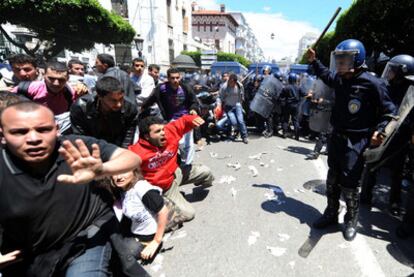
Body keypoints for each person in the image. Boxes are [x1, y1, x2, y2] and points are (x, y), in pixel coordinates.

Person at [0, 102, 148, 276]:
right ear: (2, 135)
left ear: (57, 129)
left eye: (43, 130)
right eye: (20, 132)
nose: (33, 139)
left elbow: (131, 158)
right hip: (33, 257)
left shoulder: (74, 146)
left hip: (87, 236)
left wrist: (101, 170)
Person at [307, 39, 396, 241]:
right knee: (332, 180)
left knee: (349, 184)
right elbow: (324, 74)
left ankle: (350, 220)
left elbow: (390, 112)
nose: (340, 64)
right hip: (336, 138)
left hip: (357, 141)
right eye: (338, 59)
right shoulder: (339, 79)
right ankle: (331, 213)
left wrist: (380, 130)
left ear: (357, 59)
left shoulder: (373, 83)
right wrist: (314, 61)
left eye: (345, 59)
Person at [128, 115, 214, 222]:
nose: (163, 133)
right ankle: (167, 203)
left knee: (206, 172)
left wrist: (193, 119)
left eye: (163, 129)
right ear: (147, 136)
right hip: (163, 188)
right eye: (158, 131)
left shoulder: (169, 133)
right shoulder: (136, 153)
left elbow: (183, 121)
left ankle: (178, 197)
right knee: (189, 214)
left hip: (175, 174)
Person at [140, 67, 200, 165]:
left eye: (177, 78)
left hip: (185, 118)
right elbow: (152, 98)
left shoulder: (185, 88)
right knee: (178, 142)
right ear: (168, 78)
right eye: (172, 78)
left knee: (188, 144)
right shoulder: (162, 88)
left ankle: (187, 164)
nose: (175, 80)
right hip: (171, 120)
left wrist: (193, 109)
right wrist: (143, 107)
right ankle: (179, 160)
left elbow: (193, 101)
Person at [111, 170, 170, 261]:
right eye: (115, 174)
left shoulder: (140, 188)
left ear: (134, 171)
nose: (119, 177)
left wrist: (156, 241)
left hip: (150, 236)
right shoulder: (123, 189)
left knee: (117, 256)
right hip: (136, 231)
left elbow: (163, 211)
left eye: (124, 172)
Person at [70, 76, 138, 148]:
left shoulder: (130, 108)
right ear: (100, 97)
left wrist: (121, 153)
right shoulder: (81, 107)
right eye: (113, 100)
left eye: (121, 99)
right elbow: (80, 136)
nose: (119, 104)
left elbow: (127, 137)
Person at [216, 73, 248, 144]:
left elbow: (242, 96)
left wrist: (241, 104)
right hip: (229, 107)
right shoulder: (224, 87)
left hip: (237, 105)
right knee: (234, 122)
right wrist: (218, 105)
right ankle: (236, 132)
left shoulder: (240, 86)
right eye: (230, 82)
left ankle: (244, 136)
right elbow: (219, 97)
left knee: (241, 121)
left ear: (235, 82)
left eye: (233, 83)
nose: (231, 84)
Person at [279, 73, 305, 140]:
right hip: (296, 106)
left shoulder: (286, 87)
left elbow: (281, 96)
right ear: (295, 79)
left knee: (285, 119)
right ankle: (297, 136)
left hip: (288, 105)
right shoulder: (298, 87)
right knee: (295, 120)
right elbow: (303, 94)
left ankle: (284, 134)